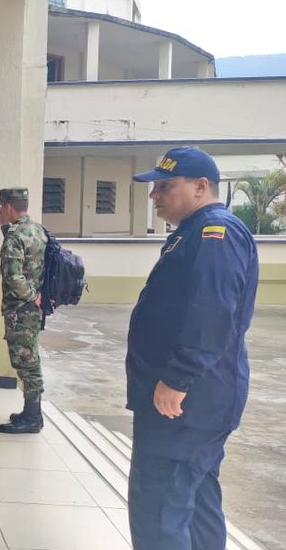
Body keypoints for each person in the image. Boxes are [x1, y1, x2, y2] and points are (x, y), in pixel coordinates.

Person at [125, 147, 258, 550]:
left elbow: (212, 313)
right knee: (195, 503)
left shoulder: (214, 233)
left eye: (165, 186)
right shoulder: (196, 231)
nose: (155, 196)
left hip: (185, 405)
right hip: (192, 403)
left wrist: (178, 377)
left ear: (201, 187)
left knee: (160, 511)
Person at [0, 188, 47, 434]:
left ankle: (33, 418)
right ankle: (29, 411)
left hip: (21, 309)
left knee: (27, 361)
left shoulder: (15, 235)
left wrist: (32, 297)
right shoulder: (36, 229)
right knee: (28, 358)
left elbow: (14, 276)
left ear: (8, 206)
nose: (1, 210)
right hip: (30, 310)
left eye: (2, 206)